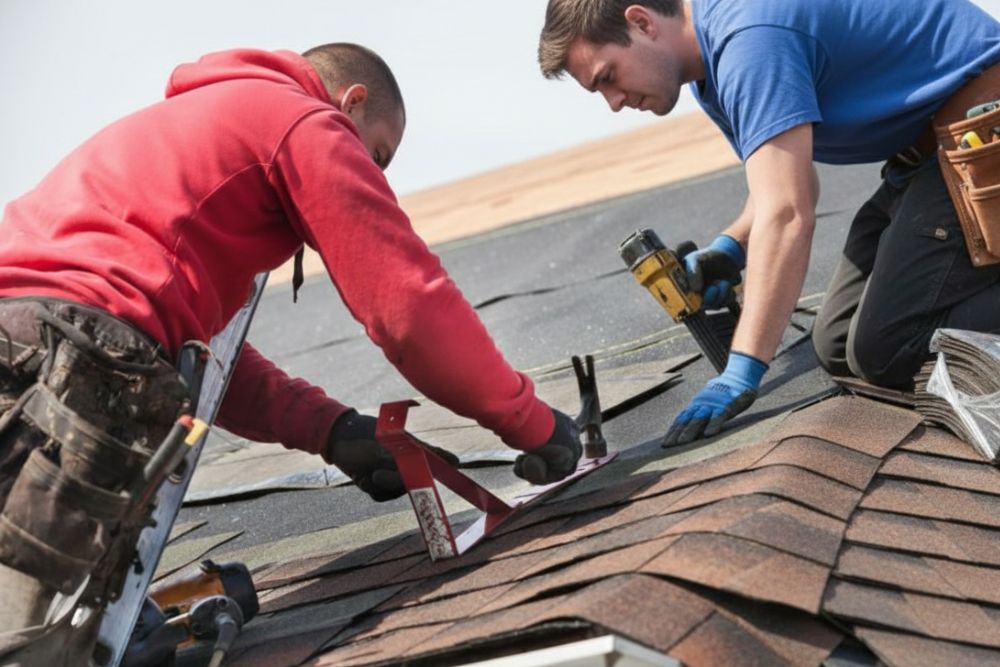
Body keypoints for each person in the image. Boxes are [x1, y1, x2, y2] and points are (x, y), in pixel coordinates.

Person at [0, 43, 581, 663]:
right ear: (351, 103)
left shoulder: (193, 131)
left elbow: (205, 361)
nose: (374, 177)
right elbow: (409, 309)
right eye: (376, 155)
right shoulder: (301, 120)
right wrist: (530, 422)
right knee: (38, 645)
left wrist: (331, 429)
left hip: (31, 351)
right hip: (74, 364)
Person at [537, 0, 1000, 445]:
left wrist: (742, 370)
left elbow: (789, 213)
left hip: (982, 140)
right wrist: (731, 248)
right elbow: (782, 185)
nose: (613, 102)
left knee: (887, 347)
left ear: (641, 23)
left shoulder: (749, 40)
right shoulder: (712, 70)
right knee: (838, 342)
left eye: (607, 78)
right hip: (933, 158)